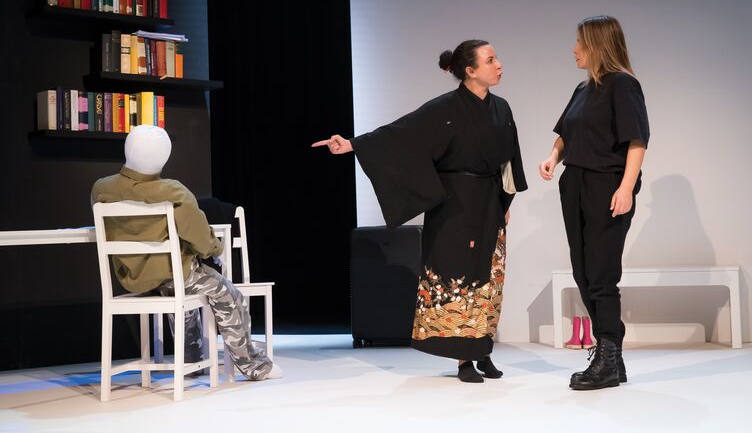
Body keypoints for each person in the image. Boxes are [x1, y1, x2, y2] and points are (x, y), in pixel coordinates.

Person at [313, 40, 527, 383]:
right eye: (490, 60)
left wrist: (505, 201)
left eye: (496, 58)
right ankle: (464, 359)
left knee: (489, 276)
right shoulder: (444, 108)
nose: (499, 64)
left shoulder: (501, 108)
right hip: (454, 204)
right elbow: (401, 133)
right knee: (458, 277)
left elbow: (509, 159)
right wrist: (352, 144)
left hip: (489, 201)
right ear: (470, 71)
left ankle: (482, 349)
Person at [90, 124, 281, 381]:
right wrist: (216, 248)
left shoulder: (101, 189)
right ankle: (254, 366)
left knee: (181, 289)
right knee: (228, 293)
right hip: (174, 275)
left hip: (133, 279)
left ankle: (193, 361)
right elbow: (198, 235)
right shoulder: (173, 191)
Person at [539, 15, 649, 390]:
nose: (574, 50)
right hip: (575, 183)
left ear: (598, 45)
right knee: (583, 271)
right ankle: (611, 357)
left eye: (580, 43)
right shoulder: (582, 89)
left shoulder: (623, 84)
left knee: (602, 273)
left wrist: (626, 187)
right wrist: (553, 156)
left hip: (607, 184)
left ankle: (607, 355)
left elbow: (637, 140)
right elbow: (565, 134)